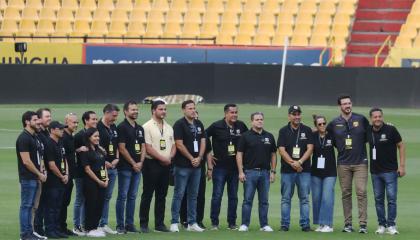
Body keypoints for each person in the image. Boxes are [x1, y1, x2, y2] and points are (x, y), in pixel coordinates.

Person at [327, 95, 369, 233]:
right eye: (344, 104)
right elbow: (326, 137)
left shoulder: (361, 119)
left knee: (361, 192)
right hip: (343, 163)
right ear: (340, 106)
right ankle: (348, 224)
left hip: (360, 163)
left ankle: (363, 224)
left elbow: (371, 134)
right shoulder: (334, 123)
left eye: (349, 103)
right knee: (346, 193)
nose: (347, 105)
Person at [206, 104, 248, 230]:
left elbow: (248, 140)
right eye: (232, 112)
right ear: (226, 113)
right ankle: (214, 223)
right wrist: (209, 153)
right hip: (219, 167)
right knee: (217, 195)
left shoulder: (241, 126)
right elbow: (203, 136)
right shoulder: (216, 125)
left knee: (233, 196)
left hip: (235, 168)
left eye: (236, 112)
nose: (234, 114)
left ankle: (232, 223)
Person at [367, 108, 406, 235]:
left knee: (391, 199)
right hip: (375, 172)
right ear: (371, 119)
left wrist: (402, 166)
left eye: (379, 116)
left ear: (382, 117)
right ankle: (381, 224)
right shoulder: (368, 130)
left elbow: (401, 145)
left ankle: (391, 225)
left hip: (390, 171)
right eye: (375, 117)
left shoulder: (391, 129)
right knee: (378, 199)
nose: (377, 119)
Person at [236, 112, 277, 232]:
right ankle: (244, 224)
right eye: (257, 119)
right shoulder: (245, 136)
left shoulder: (269, 136)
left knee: (264, 201)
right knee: (247, 200)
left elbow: (273, 154)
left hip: (265, 173)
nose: (260, 121)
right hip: (250, 172)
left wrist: (273, 171)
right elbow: (239, 154)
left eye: (261, 119)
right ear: (252, 121)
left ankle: (264, 225)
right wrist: (240, 171)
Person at [170, 100, 206, 233]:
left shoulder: (199, 123)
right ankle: (174, 222)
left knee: (193, 195)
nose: (192, 110)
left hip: (197, 166)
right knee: (179, 194)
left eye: (194, 108)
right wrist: (191, 158)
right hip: (183, 165)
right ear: (183, 110)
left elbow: (203, 141)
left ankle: (192, 222)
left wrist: (200, 158)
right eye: (190, 108)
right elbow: (179, 144)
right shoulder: (179, 124)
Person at [140, 100, 176, 233]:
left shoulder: (168, 127)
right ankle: (144, 223)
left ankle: (159, 224)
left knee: (162, 195)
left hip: (166, 164)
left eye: (165, 109)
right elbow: (148, 148)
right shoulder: (147, 127)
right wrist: (163, 159)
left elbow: (173, 146)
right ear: (153, 110)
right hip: (151, 164)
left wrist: (169, 158)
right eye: (161, 109)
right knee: (148, 194)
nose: (164, 112)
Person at [278, 105, 314, 232]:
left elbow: (310, 148)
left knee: (304, 198)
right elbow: (281, 150)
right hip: (287, 171)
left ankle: (305, 225)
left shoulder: (307, 130)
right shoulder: (283, 131)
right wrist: (293, 163)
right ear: (289, 116)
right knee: (286, 198)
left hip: (304, 170)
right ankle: (284, 224)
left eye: (298, 114)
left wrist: (299, 162)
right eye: (294, 114)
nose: (297, 116)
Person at [116, 101, 146, 234]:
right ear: (125, 111)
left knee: (133, 196)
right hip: (125, 168)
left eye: (136, 109)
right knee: (122, 196)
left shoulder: (140, 128)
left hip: (137, 168)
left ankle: (130, 224)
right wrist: (134, 163)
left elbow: (143, 146)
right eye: (132, 110)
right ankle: (120, 225)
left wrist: (141, 162)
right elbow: (121, 148)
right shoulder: (122, 127)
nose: (135, 111)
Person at [17, 111, 47, 240]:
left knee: (32, 207)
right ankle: (25, 234)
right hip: (28, 178)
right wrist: (39, 174)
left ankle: (30, 232)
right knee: (26, 206)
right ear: (27, 122)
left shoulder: (34, 137)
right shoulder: (24, 138)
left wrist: (42, 171)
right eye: (35, 120)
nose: (38, 122)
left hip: (34, 177)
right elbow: (26, 161)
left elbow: (38, 158)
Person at [180, 110, 211, 229]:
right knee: (184, 194)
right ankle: (184, 220)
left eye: (197, 116)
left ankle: (198, 219)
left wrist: (210, 168)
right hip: (185, 165)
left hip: (199, 167)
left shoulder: (201, 130)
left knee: (200, 194)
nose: (195, 118)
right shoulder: (183, 128)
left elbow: (208, 150)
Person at [73, 111, 98, 236]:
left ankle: (86, 225)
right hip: (80, 173)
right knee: (80, 199)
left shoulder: (95, 134)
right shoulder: (79, 136)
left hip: (93, 173)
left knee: (89, 200)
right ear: (86, 121)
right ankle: (77, 226)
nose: (95, 121)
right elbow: (69, 151)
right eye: (93, 119)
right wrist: (78, 149)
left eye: (96, 119)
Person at [80, 128, 109, 237]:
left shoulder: (100, 150)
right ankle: (89, 228)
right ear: (89, 138)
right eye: (95, 136)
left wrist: (106, 179)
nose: (97, 138)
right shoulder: (85, 151)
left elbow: (103, 166)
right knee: (91, 204)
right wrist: (98, 181)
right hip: (91, 182)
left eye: (98, 136)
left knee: (99, 204)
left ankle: (95, 227)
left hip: (102, 181)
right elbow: (87, 169)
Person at [311, 115, 337, 233]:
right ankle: (321, 224)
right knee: (316, 198)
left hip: (330, 172)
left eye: (324, 123)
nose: (322, 126)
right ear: (316, 125)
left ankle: (328, 224)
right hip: (315, 172)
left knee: (327, 197)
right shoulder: (312, 136)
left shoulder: (332, 135)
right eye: (319, 124)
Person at [97, 104, 120, 234]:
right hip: (102, 167)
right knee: (99, 196)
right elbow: (94, 146)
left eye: (116, 116)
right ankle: (96, 223)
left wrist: (116, 158)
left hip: (113, 167)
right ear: (106, 113)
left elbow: (116, 145)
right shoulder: (98, 127)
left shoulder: (114, 127)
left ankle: (104, 223)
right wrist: (104, 161)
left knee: (107, 197)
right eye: (113, 116)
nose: (115, 119)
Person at [44, 121, 69, 239]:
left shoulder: (60, 142)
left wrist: (67, 174)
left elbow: (65, 159)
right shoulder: (49, 143)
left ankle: (56, 229)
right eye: (60, 129)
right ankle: (50, 230)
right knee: (51, 207)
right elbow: (52, 165)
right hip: (53, 181)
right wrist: (61, 176)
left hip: (61, 179)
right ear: (52, 130)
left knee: (58, 206)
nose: (62, 130)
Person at [59, 113, 79, 236]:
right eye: (73, 122)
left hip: (71, 174)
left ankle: (62, 226)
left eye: (77, 122)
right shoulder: (63, 137)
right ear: (66, 122)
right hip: (64, 176)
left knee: (65, 202)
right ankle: (58, 227)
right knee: (61, 203)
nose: (76, 125)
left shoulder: (71, 136)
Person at [34, 108, 52, 238]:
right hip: (41, 174)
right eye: (47, 116)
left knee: (45, 202)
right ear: (39, 119)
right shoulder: (38, 134)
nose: (49, 118)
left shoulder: (46, 132)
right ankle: (37, 228)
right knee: (38, 204)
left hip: (48, 174)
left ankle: (42, 228)